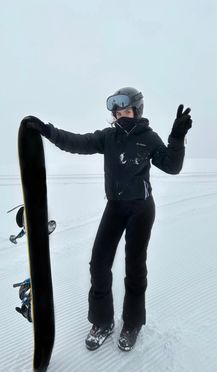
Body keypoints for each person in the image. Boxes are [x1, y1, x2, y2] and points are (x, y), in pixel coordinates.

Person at [22, 86, 192, 351]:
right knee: (99, 264)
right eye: (118, 111)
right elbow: (78, 142)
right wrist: (48, 131)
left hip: (141, 208)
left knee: (135, 267)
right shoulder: (108, 138)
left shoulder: (148, 137)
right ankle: (102, 322)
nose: (121, 115)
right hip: (115, 207)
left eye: (126, 110)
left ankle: (132, 323)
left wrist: (177, 137)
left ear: (137, 111)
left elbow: (171, 166)